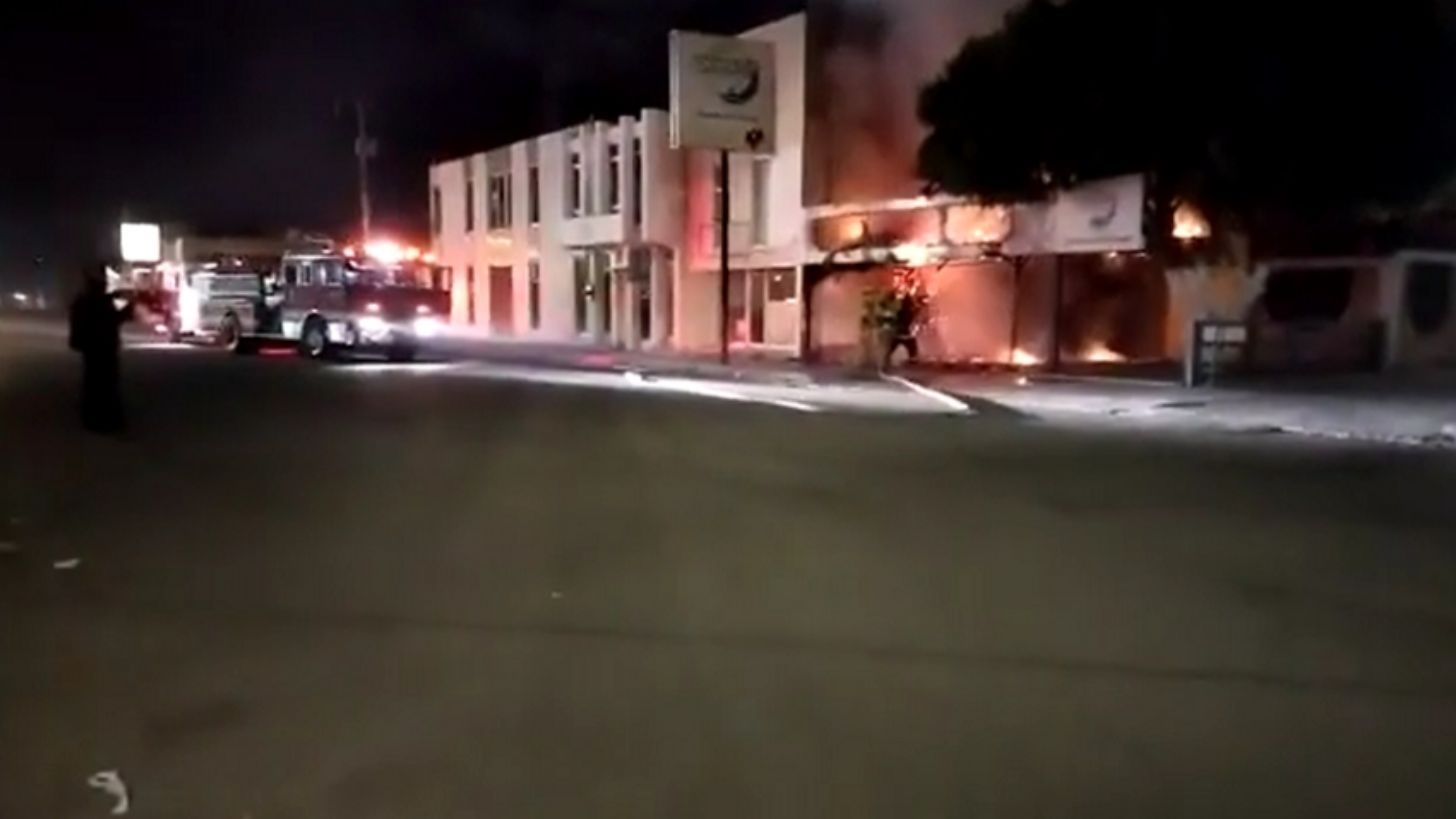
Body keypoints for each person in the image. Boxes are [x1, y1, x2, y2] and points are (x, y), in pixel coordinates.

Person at [68, 264, 132, 434]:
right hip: (106, 347)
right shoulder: (108, 300)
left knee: (93, 383)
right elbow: (124, 314)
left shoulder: (83, 301)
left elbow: (76, 322)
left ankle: (93, 418)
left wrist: (76, 340)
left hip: (92, 347)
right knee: (108, 384)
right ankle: (110, 419)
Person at [882, 292, 922, 370]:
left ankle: (886, 360)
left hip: (899, 334)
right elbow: (915, 318)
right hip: (907, 335)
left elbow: (895, 321)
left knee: (891, 349)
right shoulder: (911, 312)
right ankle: (912, 360)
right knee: (913, 350)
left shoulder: (900, 312)